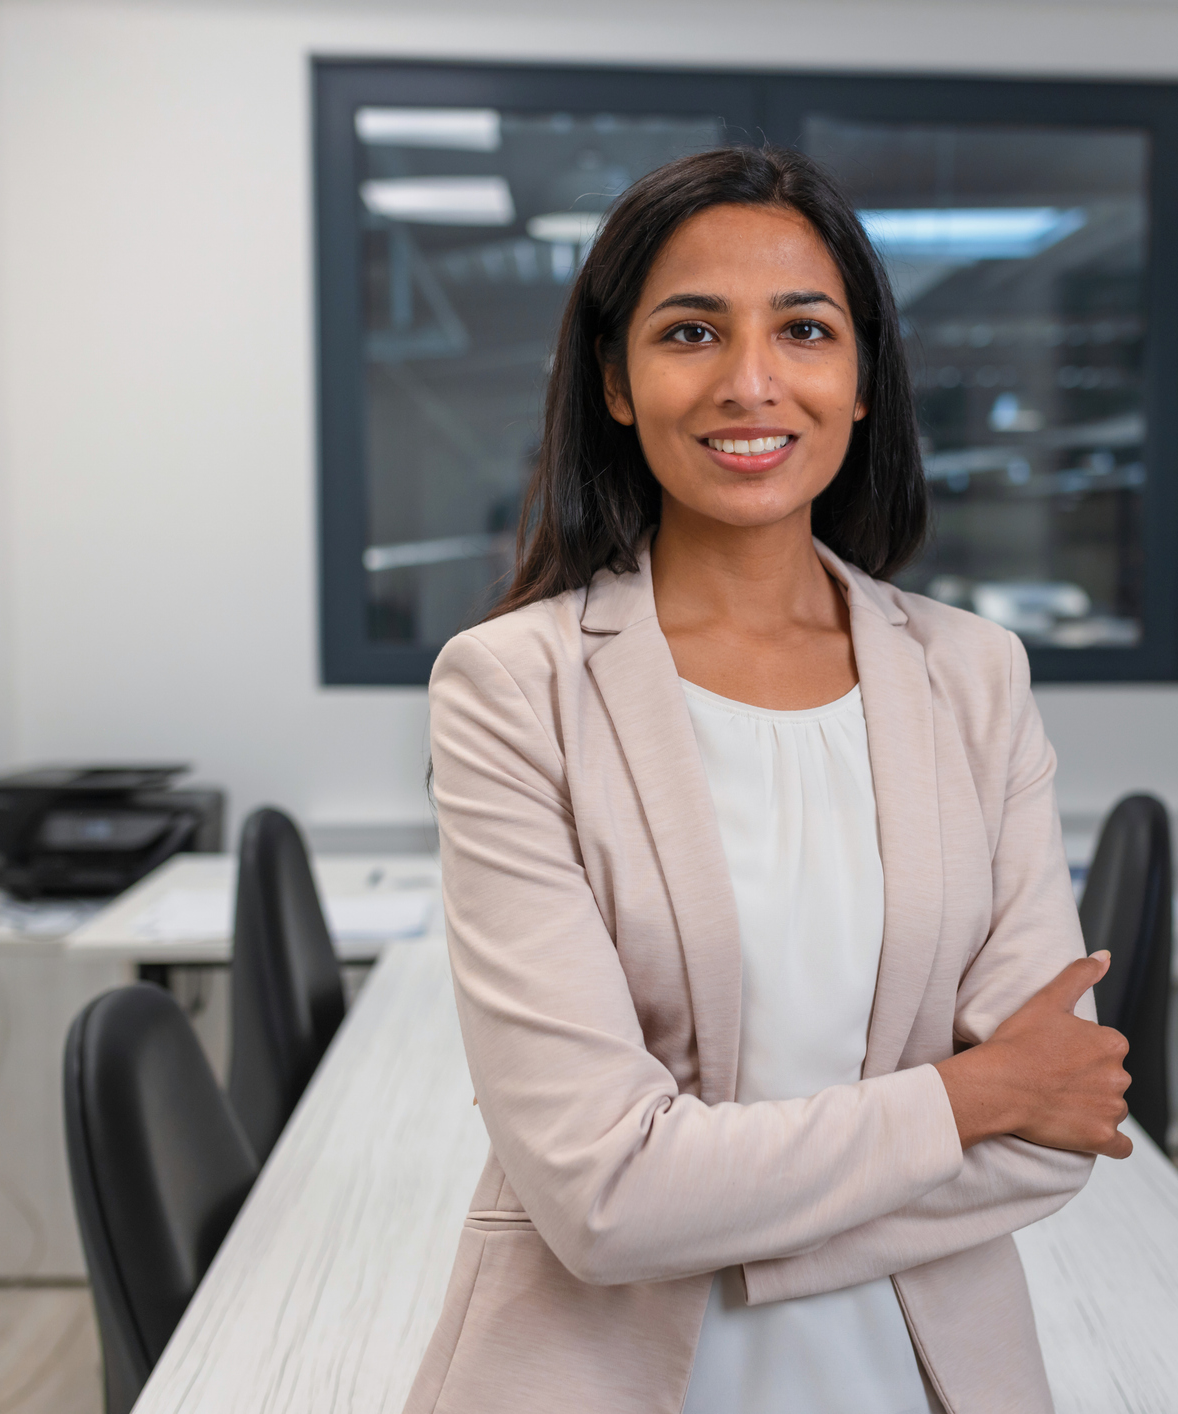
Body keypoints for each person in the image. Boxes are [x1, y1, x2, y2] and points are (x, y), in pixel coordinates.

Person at [403, 145, 1133, 1414]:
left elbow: (1050, 1128)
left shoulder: (974, 677)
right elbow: (602, 1195)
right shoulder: (512, 687)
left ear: (859, 383)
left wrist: (701, 1208)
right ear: (618, 384)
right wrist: (965, 1094)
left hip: (923, 1374)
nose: (751, 383)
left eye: (803, 329)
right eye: (690, 331)